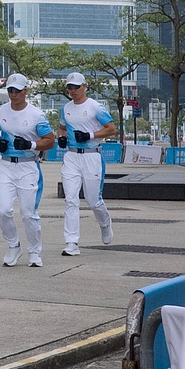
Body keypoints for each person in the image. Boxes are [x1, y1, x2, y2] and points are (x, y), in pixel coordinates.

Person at [0, 73, 56, 268]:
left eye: (17, 91)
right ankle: (13, 245)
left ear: (25, 91)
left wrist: (31, 144)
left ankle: (35, 251)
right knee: (2, 211)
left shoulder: (36, 115)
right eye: (10, 90)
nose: (13, 94)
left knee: (28, 213)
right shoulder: (0, 111)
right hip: (5, 165)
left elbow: (50, 141)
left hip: (28, 166)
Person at [58, 72, 116, 256]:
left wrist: (90, 135)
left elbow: (111, 129)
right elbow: (62, 128)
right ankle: (72, 242)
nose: (73, 91)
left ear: (85, 86)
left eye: (76, 87)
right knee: (71, 199)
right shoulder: (65, 108)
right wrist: (61, 138)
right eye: (70, 87)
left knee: (93, 200)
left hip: (92, 156)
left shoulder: (95, 107)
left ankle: (105, 224)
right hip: (72, 157)